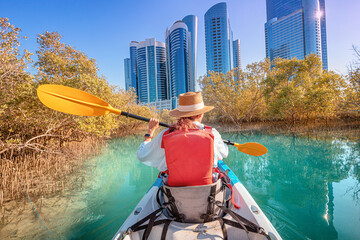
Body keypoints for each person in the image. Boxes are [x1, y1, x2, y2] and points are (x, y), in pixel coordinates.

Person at [137, 92, 228, 187]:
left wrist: (149, 133)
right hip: (208, 194)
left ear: (180, 115)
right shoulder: (213, 133)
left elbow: (142, 155)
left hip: (173, 196)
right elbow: (224, 153)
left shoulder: (165, 135)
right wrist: (220, 141)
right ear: (201, 114)